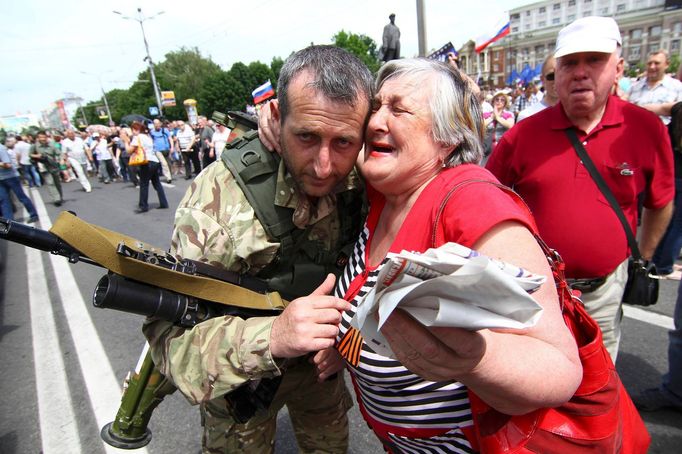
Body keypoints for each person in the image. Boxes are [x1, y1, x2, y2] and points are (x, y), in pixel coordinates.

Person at [323, 58, 579, 452]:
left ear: (448, 139)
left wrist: (476, 359)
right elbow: (322, 146)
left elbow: (560, 370)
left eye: (399, 109)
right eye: (376, 106)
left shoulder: (472, 204)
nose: (374, 121)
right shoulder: (384, 191)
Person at [142, 45, 373, 453]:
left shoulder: (364, 174)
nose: (324, 165)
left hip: (320, 369)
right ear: (276, 119)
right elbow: (170, 342)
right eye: (306, 136)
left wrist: (346, 342)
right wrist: (273, 337)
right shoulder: (218, 205)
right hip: (240, 380)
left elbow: (373, 274)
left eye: (343, 142)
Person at [486, 16, 674, 361]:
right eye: (570, 62)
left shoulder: (645, 128)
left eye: (594, 60)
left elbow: (661, 203)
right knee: (536, 387)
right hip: (535, 293)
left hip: (604, 292)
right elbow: (485, 198)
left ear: (617, 69)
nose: (581, 71)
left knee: (599, 389)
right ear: (557, 72)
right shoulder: (523, 134)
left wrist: (642, 259)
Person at [122, 121, 168, 213]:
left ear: (136, 130)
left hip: (146, 162)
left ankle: (143, 205)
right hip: (154, 160)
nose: (133, 132)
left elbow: (129, 151)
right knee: (157, 183)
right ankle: (163, 203)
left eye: (133, 130)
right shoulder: (147, 137)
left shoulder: (137, 138)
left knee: (144, 184)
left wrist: (126, 142)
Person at [627, 49, 682, 125]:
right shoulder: (634, 87)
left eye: (657, 63)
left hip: (665, 133)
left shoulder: (677, 87)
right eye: (649, 63)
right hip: (637, 131)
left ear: (666, 64)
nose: (652, 67)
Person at [0, 139, 38, 223]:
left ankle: (33, 214)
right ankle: (9, 222)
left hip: (11, 177)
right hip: (1, 180)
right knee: (3, 200)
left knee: (21, 197)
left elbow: (8, 164)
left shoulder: (1, 149)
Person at [517, 55, 558, 121]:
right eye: (551, 76)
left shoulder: (578, 114)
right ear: (542, 80)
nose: (557, 80)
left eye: (561, 75)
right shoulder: (526, 116)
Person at [30, 130, 64, 206]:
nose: (43, 139)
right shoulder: (34, 146)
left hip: (53, 165)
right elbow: (30, 155)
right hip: (43, 166)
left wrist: (61, 160)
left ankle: (60, 197)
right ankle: (56, 199)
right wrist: (37, 156)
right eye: (41, 137)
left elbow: (59, 153)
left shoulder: (51, 144)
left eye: (44, 137)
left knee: (57, 183)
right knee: (50, 182)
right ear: (38, 138)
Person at [482, 91, 514, 163]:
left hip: (502, 147)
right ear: (493, 101)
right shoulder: (486, 114)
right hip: (487, 148)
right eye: (497, 99)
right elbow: (481, 126)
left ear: (505, 103)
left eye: (502, 100)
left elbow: (510, 125)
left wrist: (497, 118)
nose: (499, 101)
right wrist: (492, 118)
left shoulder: (508, 115)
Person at [150, 119, 174, 183]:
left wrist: (172, 147)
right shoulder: (152, 132)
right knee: (164, 163)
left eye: (158, 123)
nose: (157, 125)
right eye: (155, 124)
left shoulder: (165, 130)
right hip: (157, 150)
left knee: (169, 163)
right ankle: (168, 178)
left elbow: (170, 138)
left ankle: (170, 174)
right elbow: (151, 140)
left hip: (166, 149)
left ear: (160, 124)